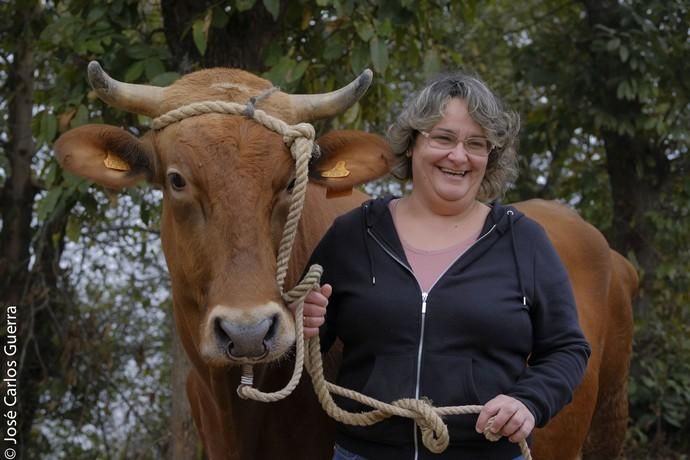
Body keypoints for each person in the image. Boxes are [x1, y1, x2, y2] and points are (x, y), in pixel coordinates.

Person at [293, 72, 591, 460]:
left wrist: (529, 402)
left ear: (490, 157)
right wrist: (302, 322)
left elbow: (567, 348)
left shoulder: (523, 240)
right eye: (443, 138)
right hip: (365, 453)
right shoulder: (354, 234)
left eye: (476, 144)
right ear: (413, 143)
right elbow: (301, 341)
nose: (459, 156)